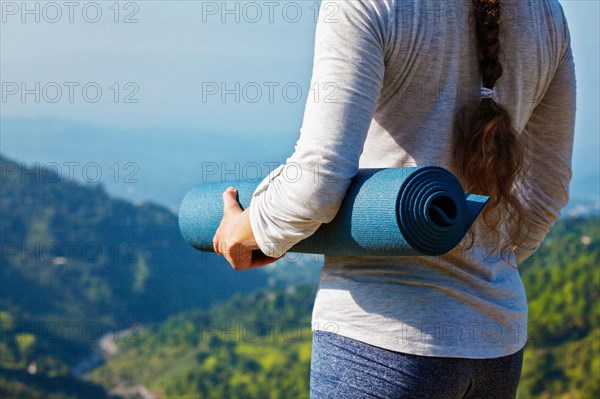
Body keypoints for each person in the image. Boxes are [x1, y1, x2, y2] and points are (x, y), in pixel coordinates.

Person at [212, 0, 576, 397]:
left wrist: (250, 227)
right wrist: (485, 262)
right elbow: (546, 192)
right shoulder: (546, 13)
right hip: (496, 347)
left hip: (381, 341)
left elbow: (318, 178)